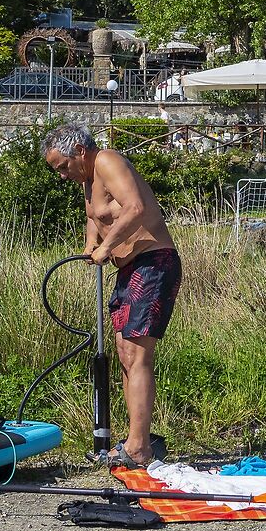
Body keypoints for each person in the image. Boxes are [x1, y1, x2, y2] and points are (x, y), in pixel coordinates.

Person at [44, 123, 180, 470]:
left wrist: (107, 246)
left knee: (136, 353)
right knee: (124, 352)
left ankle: (139, 449)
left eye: (62, 166)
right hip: (129, 269)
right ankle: (138, 439)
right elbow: (95, 216)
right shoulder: (88, 179)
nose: (61, 175)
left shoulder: (106, 160)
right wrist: (92, 244)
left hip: (152, 263)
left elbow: (134, 207)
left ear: (80, 151)